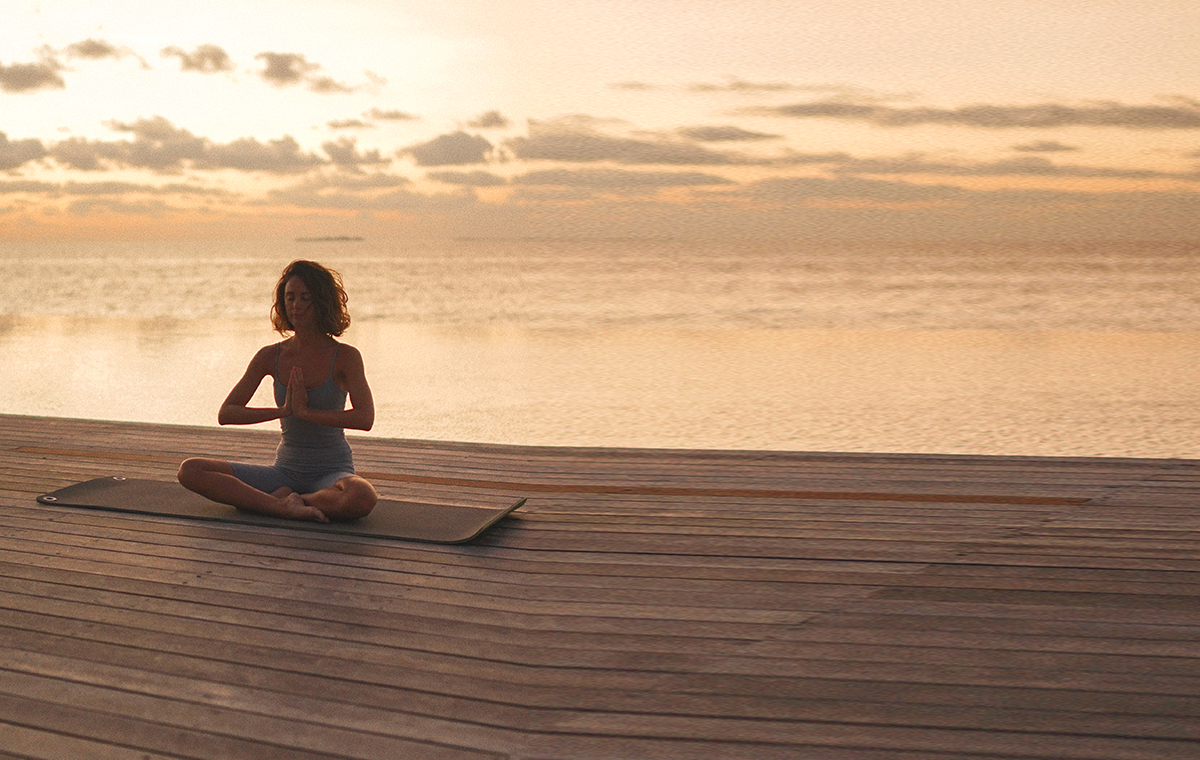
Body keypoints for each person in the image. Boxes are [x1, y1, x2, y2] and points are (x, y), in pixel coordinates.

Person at [178, 260, 378, 523]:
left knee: (361, 496)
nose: (296, 305)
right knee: (190, 470)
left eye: (305, 298)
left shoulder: (346, 357)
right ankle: (280, 506)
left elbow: (365, 418)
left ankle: (293, 500)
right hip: (284, 472)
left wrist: (306, 412)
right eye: (290, 297)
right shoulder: (270, 355)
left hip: (332, 473)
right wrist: (282, 411)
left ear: (322, 301)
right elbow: (227, 413)